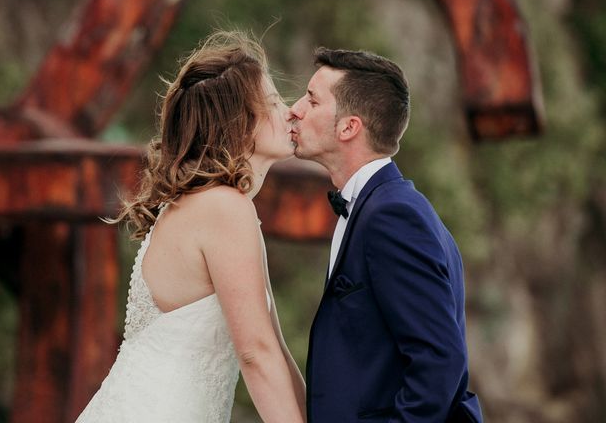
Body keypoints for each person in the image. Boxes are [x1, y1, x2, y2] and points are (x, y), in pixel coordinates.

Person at [76, 31, 306, 422]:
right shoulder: (224, 208)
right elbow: (255, 354)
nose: (289, 111)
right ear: (238, 124)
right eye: (271, 103)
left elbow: (275, 349)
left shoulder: (217, 206)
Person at [289, 47, 482, 422]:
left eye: (311, 100)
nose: (295, 108)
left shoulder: (392, 216)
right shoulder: (380, 206)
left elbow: (440, 361)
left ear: (349, 127)